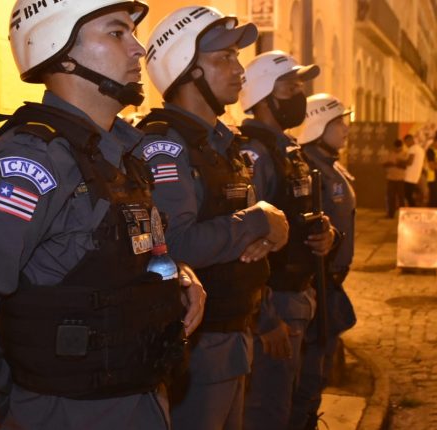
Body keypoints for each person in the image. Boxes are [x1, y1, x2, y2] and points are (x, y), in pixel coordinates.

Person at [0, 2, 207, 429]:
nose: (138, 49)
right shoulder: (33, 162)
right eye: (117, 33)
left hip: (142, 398)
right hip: (67, 414)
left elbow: (130, 252)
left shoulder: (123, 154)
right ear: (60, 50)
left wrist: (176, 275)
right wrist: (6, 404)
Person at [137, 6, 289, 430]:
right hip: (198, 348)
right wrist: (260, 221)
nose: (239, 70)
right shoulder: (166, 146)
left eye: (236, 57)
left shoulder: (220, 142)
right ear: (187, 69)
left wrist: (265, 233)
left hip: (233, 332)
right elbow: (173, 244)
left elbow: (234, 225)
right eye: (224, 58)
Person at [236, 51, 336, 429]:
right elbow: (246, 245)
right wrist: (264, 318)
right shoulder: (254, 154)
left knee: (298, 401)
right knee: (268, 410)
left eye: (299, 86)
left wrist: (329, 235)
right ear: (263, 94)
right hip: (274, 302)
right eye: (290, 87)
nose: (299, 95)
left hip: (301, 294)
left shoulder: (287, 149)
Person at [290, 94, 357, 430]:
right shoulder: (309, 167)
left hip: (330, 284)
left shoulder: (328, 163)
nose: (345, 129)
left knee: (318, 372)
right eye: (338, 122)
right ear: (318, 124)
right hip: (316, 285)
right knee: (308, 375)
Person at [382, 138, 408, 218]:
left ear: (401, 147)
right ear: (394, 147)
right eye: (396, 148)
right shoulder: (389, 154)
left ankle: (403, 215)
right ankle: (390, 214)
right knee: (390, 197)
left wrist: (396, 164)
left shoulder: (405, 154)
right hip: (391, 178)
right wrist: (391, 163)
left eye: (399, 148)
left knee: (401, 198)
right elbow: (383, 164)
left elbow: (405, 166)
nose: (397, 149)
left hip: (401, 179)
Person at [402, 133, 425, 206]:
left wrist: (401, 162)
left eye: (406, 142)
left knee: (407, 194)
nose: (406, 145)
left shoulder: (412, 149)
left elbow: (410, 162)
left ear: (410, 140)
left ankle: (413, 208)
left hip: (409, 176)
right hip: (416, 175)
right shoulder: (420, 149)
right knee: (410, 194)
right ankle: (413, 207)